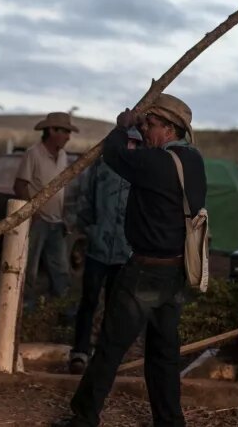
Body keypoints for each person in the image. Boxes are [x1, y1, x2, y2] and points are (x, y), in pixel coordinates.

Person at [55, 94, 206, 427]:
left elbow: (114, 153)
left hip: (145, 271)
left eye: (151, 125)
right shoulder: (193, 162)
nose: (147, 131)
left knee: (110, 346)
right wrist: (140, 123)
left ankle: (84, 417)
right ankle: (169, 422)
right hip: (176, 272)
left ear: (169, 128)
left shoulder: (156, 164)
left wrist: (122, 125)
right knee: (164, 354)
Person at [68, 127, 142, 374]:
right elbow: (86, 201)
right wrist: (87, 230)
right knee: (88, 301)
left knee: (115, 305)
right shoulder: (102, 168)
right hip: (97, 248)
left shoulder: (141, 171)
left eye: (135, 142)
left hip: (125, 251)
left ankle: (105, 357)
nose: (131, 146)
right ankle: (79, 352)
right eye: (128, 141)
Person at [14, 111, 78, 313]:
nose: (68, 136)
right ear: (52, 131)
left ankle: (61, 310)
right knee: (29, 267)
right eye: (64, 131)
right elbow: (20, 185)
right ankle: (24, 310)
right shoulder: (33, 153)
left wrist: (65, 216)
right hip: (37, 221)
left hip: (57, 221)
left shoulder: (63, 156)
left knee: (60, 269)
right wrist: (33, 211)